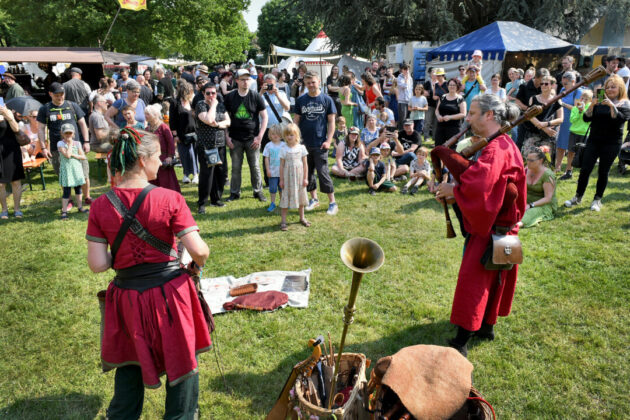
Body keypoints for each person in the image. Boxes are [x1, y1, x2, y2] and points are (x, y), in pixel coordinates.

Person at [86, 127, 211, 419]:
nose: (162, 161)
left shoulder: (100, 205)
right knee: (182, 361)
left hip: (127, 298)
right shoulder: (170, 199)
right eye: (158, 156)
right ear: (142, 160)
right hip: (170, 296)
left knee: (130, 362)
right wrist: (194, 261)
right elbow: (200, 252)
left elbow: (98, 265)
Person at [434, 94, 526, 357]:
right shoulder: (503, 142)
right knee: (496, 277)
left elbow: (480, 186)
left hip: (494, 228)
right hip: (506, 228)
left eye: (472, 113)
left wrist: (454, 189)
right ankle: (487, 327)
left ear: (489, 115)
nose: (468, 118)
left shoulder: (497, 148)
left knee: (474, 282)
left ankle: (461, 342)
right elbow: (483, 178)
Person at [565, 75, 630, 212]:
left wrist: (611, 105)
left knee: (603, 171)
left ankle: (597, 199)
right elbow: (586, 118)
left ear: (620, 88)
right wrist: (592, 105)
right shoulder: (598, 101)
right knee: (585, 169)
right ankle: (578, 196)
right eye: (608, 87)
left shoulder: (624, 103)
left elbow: (619, 120)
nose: (610, 89)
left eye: (613, 87)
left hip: (612, 143)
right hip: (594, 140)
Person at [37, 82, 92, 205]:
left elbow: (83, 123)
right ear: (50, 94)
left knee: (84, 172)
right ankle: (70, 200)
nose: (60, 97)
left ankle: (87, 197)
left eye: (62, 94)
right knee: (63, 175)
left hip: (76, 146)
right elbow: (40, 129)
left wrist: (86, 141)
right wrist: (44, 147)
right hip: (58, 147)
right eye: (57, 94)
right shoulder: (45, 109)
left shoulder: (72, 106)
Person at [293, 71, 338, 215]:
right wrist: (295, 139)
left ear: (319, 81)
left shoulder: (327, 100)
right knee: (308, 173)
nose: (311, 85)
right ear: (305, 84)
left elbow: (331, 122)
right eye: (308, 83)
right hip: (304, 144)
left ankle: (332, 202)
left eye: (313, 82)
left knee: (323, 172)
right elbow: (296, 121)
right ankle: (314, 199)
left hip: (320, 143)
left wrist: (329, 140)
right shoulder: (301, 100)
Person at [223, 69, 268, 202]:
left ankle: (258, 191)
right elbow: (224, 118)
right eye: (242, 79)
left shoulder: (256, 96)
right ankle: (234, 192)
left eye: (247, 79)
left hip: (252, 138)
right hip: (235, 139)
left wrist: (259, 136)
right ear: (236, 81)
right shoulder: (230, 97)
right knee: (235, 167)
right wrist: (227, 137)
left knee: (255, 166)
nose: (245, 82)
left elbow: (264, 118)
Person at [196, 83, 231, 212]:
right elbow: (209, 119)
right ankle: (202, 203)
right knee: (207, 174)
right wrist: (213, 105)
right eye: (208, 93)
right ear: (203, 94)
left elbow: (228, 122)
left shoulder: (221, 105)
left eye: (213, 93)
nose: (211, 96)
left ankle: (216, 199)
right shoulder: (201, 105)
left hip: (220, 144)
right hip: (206, 145)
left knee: (220, 173)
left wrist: (218, 125)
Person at [260, 73, 290, 187]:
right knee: (267, 154)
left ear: (276, 83)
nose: (269, 87)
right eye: (267, 84)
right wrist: (261, 92)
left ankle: (283, 177)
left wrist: (277, 94)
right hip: (266, 128)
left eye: (271, 84)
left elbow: (287, 108)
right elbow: (254, 107)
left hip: (280, 128)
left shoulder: (281, 93)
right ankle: (268, 181)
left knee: (283, 153)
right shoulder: (261, 95)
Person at [521, 75, 563, 156]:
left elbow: (560, 119)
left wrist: (546, 124)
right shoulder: (533, 99)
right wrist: (543, 127)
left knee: (544, 160)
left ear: (552, 86)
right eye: (542, 84)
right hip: (533, 133)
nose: (543, 85)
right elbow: (529, 115)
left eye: (546, 84)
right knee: (529, 158)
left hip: (548, 136)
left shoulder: (557, 100)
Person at [278, 123, 309, 231]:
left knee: (301, 197)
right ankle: (283, 221)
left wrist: (305, 178)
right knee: (285, 197)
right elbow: (281, 165)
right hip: (287, 178)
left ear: (296, 135)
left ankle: (302, 217)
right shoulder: (283, 149)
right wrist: (281, 180)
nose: (289, 137)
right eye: (287, 135)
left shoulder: (302, 148)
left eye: (291, 135)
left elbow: (305, 164)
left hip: (299, 177)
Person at [517, 148, 557, 228]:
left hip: (543, 205)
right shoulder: (526, 169)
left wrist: (530, 205)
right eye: (527, 159)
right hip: (526, 202)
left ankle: (515, 226)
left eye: (531, 161)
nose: (528, 162)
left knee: (530, 213)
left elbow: (547, 198)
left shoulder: (547, 175)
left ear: (541, 160)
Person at [144, 104, 180, 192]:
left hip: (163, 159)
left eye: (148, 114)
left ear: (155, 115)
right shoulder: (147, 129)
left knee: (167, 182)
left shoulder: (163, 127)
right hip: (152, 158)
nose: (146, 116)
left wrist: (170, 156)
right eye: (145, 114)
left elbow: (170, 142)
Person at [559, 89, 592, 180]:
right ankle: (568, 171)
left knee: (583, 154)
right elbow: (572, 120)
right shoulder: (575, 108)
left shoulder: (590, 109)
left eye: (586, 99)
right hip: (574, 132)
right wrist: (580, 111)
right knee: (570, 152)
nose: (583, 101)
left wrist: (583, 111)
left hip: (584, 134)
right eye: (582, 98)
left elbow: (588, 120)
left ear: (590, 100)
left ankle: (582, 174)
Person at [0, 104, 26, 219]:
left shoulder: (9, 112)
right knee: (0, 184)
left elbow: (16, 129)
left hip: (11, 151)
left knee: (15, 181)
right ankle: (4, 210)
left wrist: (8, 116)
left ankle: (17, 209)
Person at [170, 81, 199, 185]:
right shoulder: (175, 103)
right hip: (182, 134)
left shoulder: (192, 102)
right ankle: (186, 174)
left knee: (194, 154)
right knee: (184, 155)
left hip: (194, 133)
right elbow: (172, 120)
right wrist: (175, 135)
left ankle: (195, 174)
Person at [57, 123, 88, 220]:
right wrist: (70, 144)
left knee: (78, 189)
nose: (68, 135)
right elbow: (67, 155)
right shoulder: (60, 144)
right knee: (66, 191)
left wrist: (75, 155)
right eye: (66, 133)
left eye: (70, 133)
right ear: (62, 134)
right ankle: (64, 211)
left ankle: (80, 207)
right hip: (67, 170)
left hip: (76, 169)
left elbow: (83, 156)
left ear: (73, 133)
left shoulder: (78, 143)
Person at [554, 71, 583, 173]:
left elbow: (577, 108)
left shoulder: (578, 92)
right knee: (560, 145)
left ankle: (568, 169)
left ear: (573, 82)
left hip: (572, 122)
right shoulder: (562, 89)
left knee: (571, 147)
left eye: (566, 83)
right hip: (562, 120)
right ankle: (557, 167)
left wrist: (563, 104)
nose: (564, 86)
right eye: (563, 83)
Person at [434, 79, 466, 146]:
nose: (452, 86)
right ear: (448, 86)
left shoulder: (460, 99)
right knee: (438, 147)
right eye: (450, 85)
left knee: (453, 149)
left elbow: (463, 114)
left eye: (454, 85)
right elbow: (437, 110)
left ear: (457, 86)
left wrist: (450, 117)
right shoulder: (443, 97)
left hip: (454, 128)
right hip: (441, 126)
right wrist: (438, 116)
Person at [263, 124, 286, 212]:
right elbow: (266, 158)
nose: (275, 135)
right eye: (273, 134)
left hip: (282, 173)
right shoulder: (268, 146)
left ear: (281, 134)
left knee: (281, 188)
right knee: (272, 189)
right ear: (270, 135)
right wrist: (268, 170)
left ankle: (282, 202)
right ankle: (272, 203)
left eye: (277, 133)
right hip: (272, 173)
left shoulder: (284, 145)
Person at [396, 64, 413, 129]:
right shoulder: (399, 77)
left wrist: (411, 99)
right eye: (405, 69)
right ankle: (401, 131)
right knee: (402, 117)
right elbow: (404, 86)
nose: (406, 71)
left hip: (409, 100)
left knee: (408, 117)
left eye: (408, 69)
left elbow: (411, 89)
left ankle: (407, 130)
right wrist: (406, 78)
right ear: (402, 70)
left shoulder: (410, 78)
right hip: (402, 100)